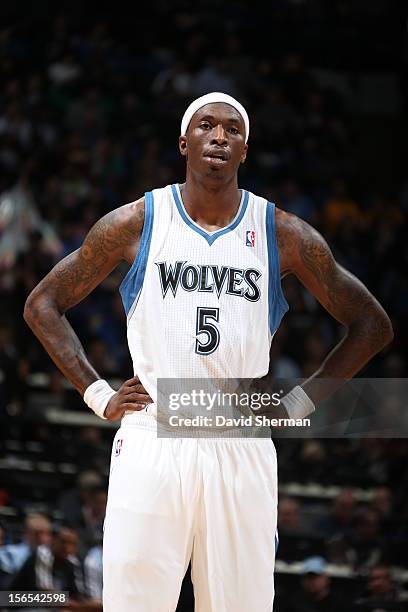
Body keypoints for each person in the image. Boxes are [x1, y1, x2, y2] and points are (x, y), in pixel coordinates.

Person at [24, 92, 393, 611]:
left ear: (245, 149)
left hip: (240, 436)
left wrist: (300, 403)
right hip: (154, 431)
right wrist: (97, 393)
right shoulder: (136, 221)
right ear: (184, 142)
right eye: (206, 126)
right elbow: (42, 304)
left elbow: (372, 326)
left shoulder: (283, 234)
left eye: (232, 129)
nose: (219, 136)